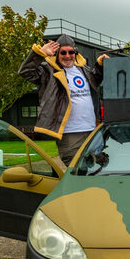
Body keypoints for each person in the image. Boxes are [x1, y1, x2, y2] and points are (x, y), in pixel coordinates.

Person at [18, 34, 109, 166]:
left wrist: (100, 65)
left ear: (75, 52)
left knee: (101, 166)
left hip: (91, 130)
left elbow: (96, 80)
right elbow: (25, 72)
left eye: (71, 52)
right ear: (57, 54)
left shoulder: (83, 70)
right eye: (63, 52)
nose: (67, 56)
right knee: (77, 169)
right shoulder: (47, 71)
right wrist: (39, 54)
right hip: (69, 133)